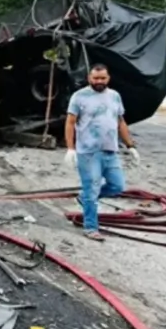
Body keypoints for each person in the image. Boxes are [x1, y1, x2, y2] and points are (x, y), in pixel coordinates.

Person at [64, 63, 141, 241]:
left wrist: (130, 145)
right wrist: (70, 148)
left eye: (103, 78)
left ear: (108, 78)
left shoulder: (114, 96)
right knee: (92, 190)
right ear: (89, 78)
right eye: (95, 78)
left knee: (117, 186)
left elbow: (120, 121)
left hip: (110, 150)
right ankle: (90, 227)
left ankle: (84, 198)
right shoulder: (79, 97)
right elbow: (70, 122)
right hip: (88, 152)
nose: (99, 81)